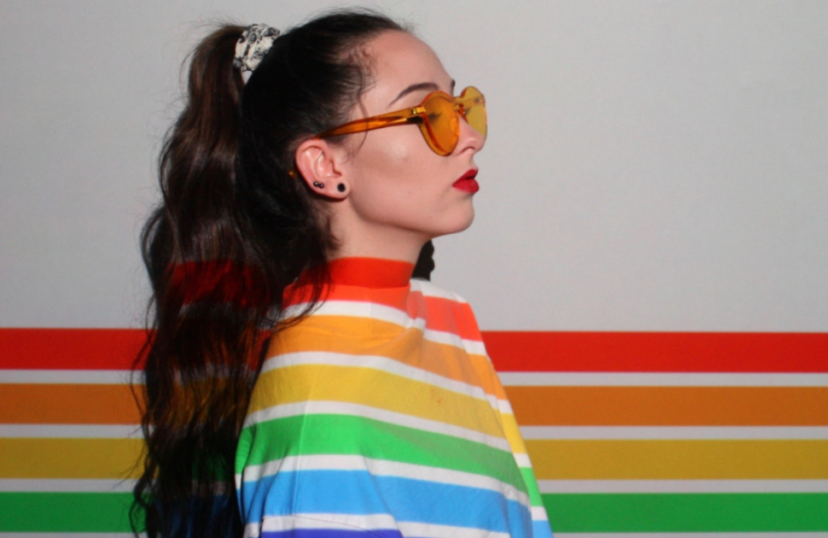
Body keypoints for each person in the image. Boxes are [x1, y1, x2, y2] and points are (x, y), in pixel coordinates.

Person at [134, 10, 552, 538]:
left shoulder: (446, 322)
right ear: (325, 167)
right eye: (428, 114)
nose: (470, 136)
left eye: (461, 106)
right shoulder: (318, 414)